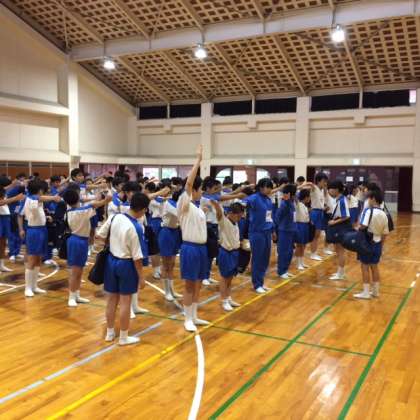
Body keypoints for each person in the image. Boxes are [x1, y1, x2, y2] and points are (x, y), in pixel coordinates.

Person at [98, 192, 149, 346]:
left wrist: (114, 242)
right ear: (143, 209)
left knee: (111, 300)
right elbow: (137, 257)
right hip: (126, 265)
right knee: (125, 301)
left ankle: (110, 333)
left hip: (111, 260)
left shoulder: (115, 217)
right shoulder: (137, 228)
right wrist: (141, 277)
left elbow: (99, 236)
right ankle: (124, 337)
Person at [177, 145, 209, 332]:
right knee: (189, 285)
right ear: (194, 190)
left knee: (198, 284)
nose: (202, 192)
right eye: (201, 189)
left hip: (202, 249)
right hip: (190, 248)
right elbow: (188, 184)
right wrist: (198, 160)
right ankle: (187, 318)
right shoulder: (185, 202)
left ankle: (194, 316)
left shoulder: (196, 207)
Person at [63, 188, 111, 307]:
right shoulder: (85, 209)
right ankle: (71, 297)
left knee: (79, 271)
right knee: (75, 272)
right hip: (77, 241)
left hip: (79, 240)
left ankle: (76, 295)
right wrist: (107, 191)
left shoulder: (69, 211)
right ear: (77, 198)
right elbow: (106, 200)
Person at [23, 180, 61, 297]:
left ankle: (34, 286)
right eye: (43, 190)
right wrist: (53, 198)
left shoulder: (36, 199)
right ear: (39, 190)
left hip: (42, 229)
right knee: (32, 259)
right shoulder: (31, 199)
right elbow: (38, 198)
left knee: (39, 258)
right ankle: (28, 287)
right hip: (34, 231)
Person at [353, 189, 389, 299]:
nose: (367, 201)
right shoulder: (384, 214)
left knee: (364, 267)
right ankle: (376, 292)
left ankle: (366, 292)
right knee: (375, 267)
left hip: (366, 243)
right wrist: (381, 245)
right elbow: (385, 233)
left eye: (368, 198)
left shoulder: (369, 211)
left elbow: (363, 225)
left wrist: (357, 228)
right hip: (377, 243)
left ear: (373, 199)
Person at [211, 200, 244, 311]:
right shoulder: (223, 221)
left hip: (235, 253)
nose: (239, 218)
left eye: (240, 216)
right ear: (231, 213)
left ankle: (228, 297)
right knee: (224, 278)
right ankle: (224, 300)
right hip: (225, 252)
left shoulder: (236, 223)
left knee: (230, 278)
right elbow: (219, 213)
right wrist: (216, 204)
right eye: (238, 216)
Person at [245, 178, 275, 294]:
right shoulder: (253, 198)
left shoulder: (268, 200)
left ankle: (261, 282)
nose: (270, 190)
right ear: (261, 187)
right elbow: (243, 202)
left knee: (265, 259)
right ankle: (256, 284)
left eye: (271, 188)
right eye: (268, 187)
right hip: (256, 233)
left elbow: (269, 217)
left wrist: (273, 230)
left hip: (267, 232)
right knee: (257, 259)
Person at [159, 189, 182, 302]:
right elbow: (180, 214)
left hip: (175, 232)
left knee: (172, 264)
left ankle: (172, 290)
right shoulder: (169, 204)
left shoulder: (177, 204)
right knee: (166, 264)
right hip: (167, 232)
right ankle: (166, 292)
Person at [326, 180, 351, 281]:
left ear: (336, 189)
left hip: (340, 227)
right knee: (338, 250)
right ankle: (341, 272)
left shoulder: (341, 201)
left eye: (330, 189)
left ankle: (340, 274)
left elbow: (346, 216)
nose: (329, 191)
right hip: (339, 226)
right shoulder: (339, 199)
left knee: (340, 251)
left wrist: (333, 222)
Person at [0, 185, 25, 272]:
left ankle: (1, 265)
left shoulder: (3, 191)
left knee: (3, 243)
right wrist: (15, 198)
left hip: (6, 217)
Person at [275, 184, 297, 279]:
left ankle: (285, 269)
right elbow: (277, 217)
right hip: (284, 231)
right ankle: (281, 271)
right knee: (283, 251)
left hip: (291, 230)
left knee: (290, 252)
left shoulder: (292, 203)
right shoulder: (284, 204)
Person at [309, 172, 329, 261]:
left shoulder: (321, 190)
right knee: (314, 234)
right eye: (324, 181)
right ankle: (312, 254)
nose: (325, 183)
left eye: (326, 181)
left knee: (317, 235)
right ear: (318, 181)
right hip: (315, 213)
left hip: (321, 212)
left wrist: (324, 208)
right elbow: (309, 185)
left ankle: (313, 253)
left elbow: (324, 199)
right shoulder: (314, 188)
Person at [295, 189, 311, 270]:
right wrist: (302, 186)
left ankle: (301, 262)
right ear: (306, 197)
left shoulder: (305, 206)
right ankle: (298, 263)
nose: (310, 198)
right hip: (299, 226)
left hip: (305, 225)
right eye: (309, 197)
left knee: (304, 245)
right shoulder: (298, 204)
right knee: (299, 245)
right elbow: (295, 195)